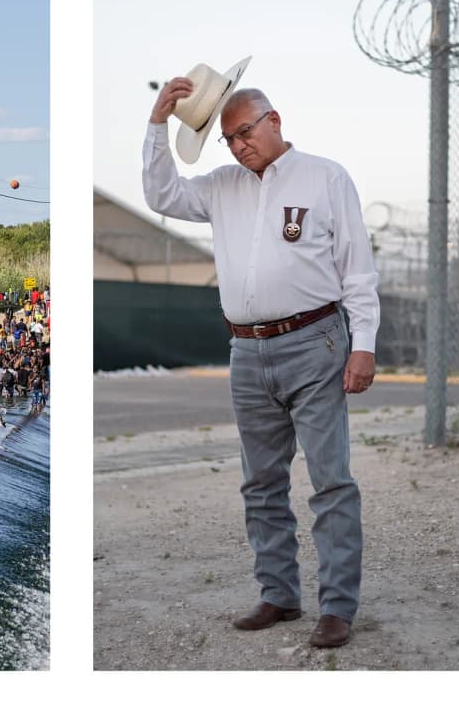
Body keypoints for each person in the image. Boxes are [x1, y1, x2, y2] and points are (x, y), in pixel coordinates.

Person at [142, 74, 380, 648]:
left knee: (330, 481)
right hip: (247, 349)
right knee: (261, 482)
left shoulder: (326, 177)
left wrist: (364, 342)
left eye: (245, 131)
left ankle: (337, 607)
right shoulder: (222, 186)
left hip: (315, 340)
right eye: (229, 138)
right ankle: (278, 593)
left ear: (274, 121)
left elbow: (357, 268)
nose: (239, 144)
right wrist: (156, 124)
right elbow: (162, 196)